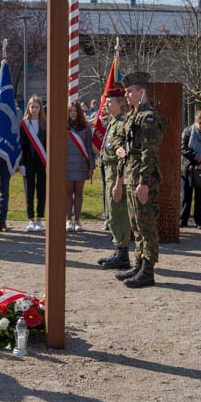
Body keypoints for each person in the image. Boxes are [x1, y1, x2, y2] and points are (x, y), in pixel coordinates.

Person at [114, 73, 164, 288]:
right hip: (131, 174)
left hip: (143, 177)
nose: (126, 94)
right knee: (136, 223)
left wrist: (144, 182)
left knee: (146, 224)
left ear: (141, 92)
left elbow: (149, 152)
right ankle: (138, 262)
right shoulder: (133, 115)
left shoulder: (149, 117)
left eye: (130, 91)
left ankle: (148, 270)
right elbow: (126, 145)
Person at [95, 88, 131, 270]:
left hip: (116, 173)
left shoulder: (122, 124)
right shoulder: (113, 122)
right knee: (112, 213)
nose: (107, 104)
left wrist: (119, 182)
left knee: (118, 214)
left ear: (120, 103)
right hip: (108, 171)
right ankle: (118, 250)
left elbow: (123, 155)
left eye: (110, 102)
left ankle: (123, 254)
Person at [20, 95, 47, 233]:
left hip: (42, 161)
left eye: (37, 107)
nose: (34, 109)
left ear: (40, 108)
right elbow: (22, 145)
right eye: (32, 107)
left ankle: (40, 219)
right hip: (28, 161)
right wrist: (21, 164)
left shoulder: (45, 123)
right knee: (29, 190)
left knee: (41, 190)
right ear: (28, 108)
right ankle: (31, 218)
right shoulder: (24, 124)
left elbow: (48, 144)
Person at [65, 102, 94, 233]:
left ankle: (77, 220)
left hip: (81, 164)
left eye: (75, 111)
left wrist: (91, 166)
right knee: (67, 193)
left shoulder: (86, 127)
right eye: (70, 111)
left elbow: (89, 148)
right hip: (67, 165)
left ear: (79, 113)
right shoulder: (63, 126)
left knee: (79, 193)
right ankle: (68, 220)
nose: (73, 113)